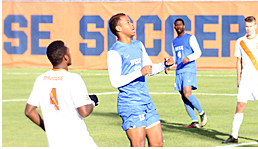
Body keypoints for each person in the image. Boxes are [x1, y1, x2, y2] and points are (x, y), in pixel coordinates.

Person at [107, 13, 174, 147]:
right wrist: (139, 72)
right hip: (131, 104)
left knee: (157, 143)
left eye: (131, 21)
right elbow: (115, 82)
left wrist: (164, 65)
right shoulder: (114, 52)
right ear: (118, 29)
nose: (132, 25)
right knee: (138, 145)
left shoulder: (138, 44)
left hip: (146, 102)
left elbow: (149, 69)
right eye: (127, 22)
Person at [25, 40, 98, 147]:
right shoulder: (74, 79)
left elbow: (29, 111)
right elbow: (84, 111)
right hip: (78, 141)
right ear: (65, 57)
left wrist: (46, 127)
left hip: (55, 143)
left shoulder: (41, 80)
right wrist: (92, 102)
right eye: (68, 52)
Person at [222, 16, 258, 144]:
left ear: (255, 26)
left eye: (251, 26)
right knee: (240, 105)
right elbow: (238, 61)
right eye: (247, 26)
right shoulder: (240, 41)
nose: (249, 29)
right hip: (246, 80)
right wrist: (238, 78)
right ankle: (234, 136)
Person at [169, 18, 207, 128]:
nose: (179, 27)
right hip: (179, 70)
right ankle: (194, 121)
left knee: (187, 93)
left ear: (184, 26)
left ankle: (202, 113)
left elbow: (198, 52)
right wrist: (169, 65)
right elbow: (176, 57)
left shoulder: (190, 38)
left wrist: (189, 58)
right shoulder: (174, 41)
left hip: (189, 69)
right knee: (183, 96)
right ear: (174, 27)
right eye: (177, 25)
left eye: (180, 25)